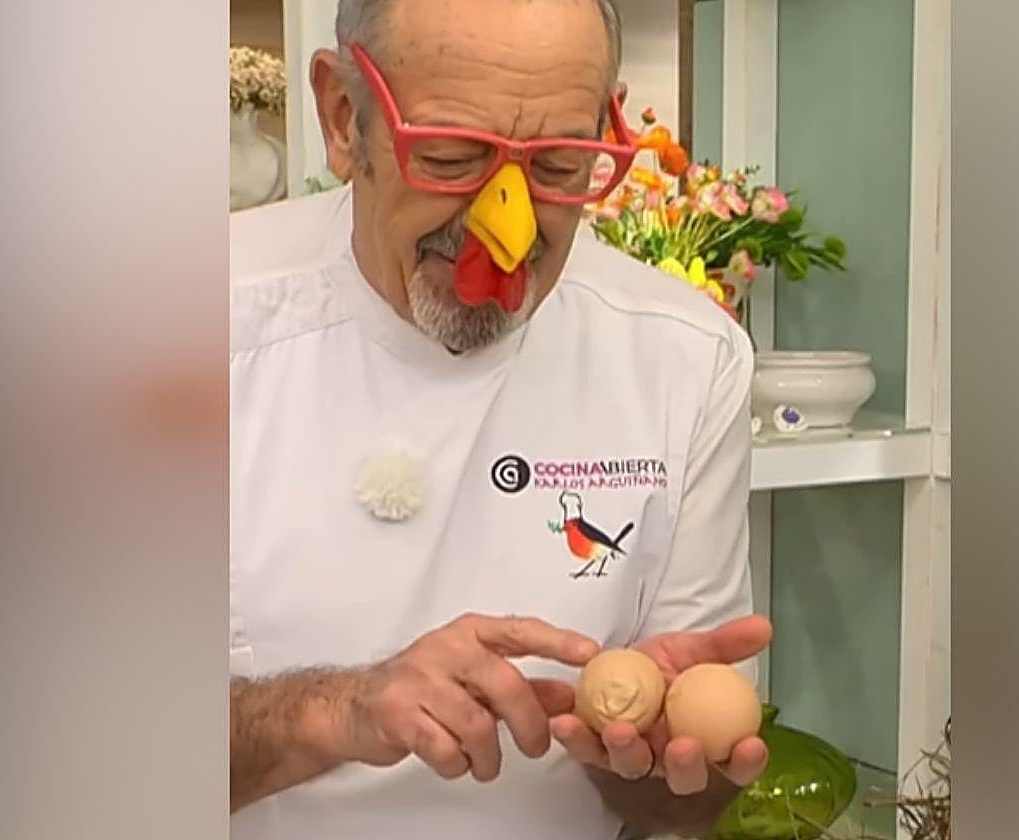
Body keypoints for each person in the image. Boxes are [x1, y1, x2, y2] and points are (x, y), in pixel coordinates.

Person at [229, 0, 770, 837]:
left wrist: (661, 756)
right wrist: (334, 712)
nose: (505, 227)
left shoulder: (685, 357)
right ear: (342, 117)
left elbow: (682, 798)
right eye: (450, 158)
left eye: (559, 166)